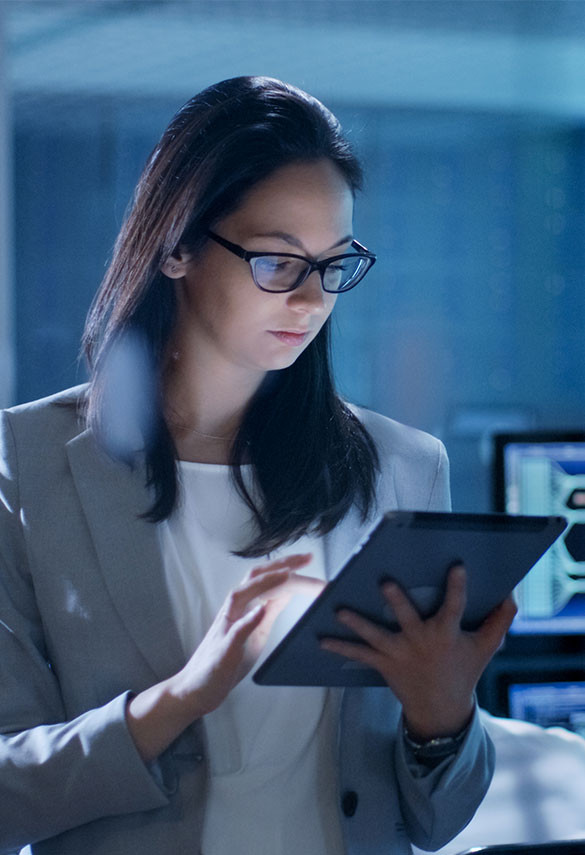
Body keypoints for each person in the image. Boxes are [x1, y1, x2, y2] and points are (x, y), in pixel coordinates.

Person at [0, 76, 516, 855]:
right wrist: (176, 699)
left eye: (334, 263)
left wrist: (441, 718)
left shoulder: (403, 467)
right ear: (176, 246)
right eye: (278, 263)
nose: (311, 301)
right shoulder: (26, 465)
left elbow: (438, 822)